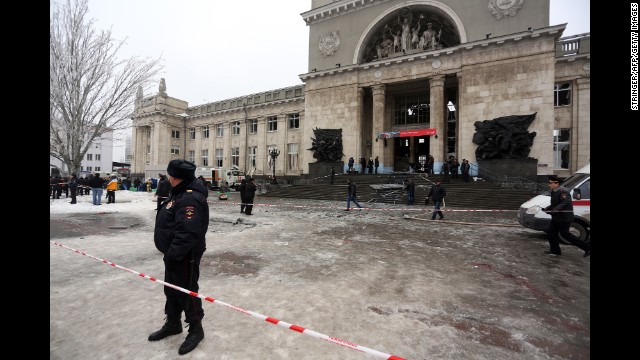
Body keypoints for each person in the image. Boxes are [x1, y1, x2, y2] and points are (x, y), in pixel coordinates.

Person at [149, 159, 209, 355]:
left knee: (187, 290)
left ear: (174, 176)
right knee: (172, 290)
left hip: (184, 255)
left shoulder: (189, 198)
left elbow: (188, 232)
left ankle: (196, 328)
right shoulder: (180, 193)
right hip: (175, 253)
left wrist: (174, 253)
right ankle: (173, 322)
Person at [543, 175, 590, 257]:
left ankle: (587, 247)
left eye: (551, 183)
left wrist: (554, 210)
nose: (549, 185)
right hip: (557, 217)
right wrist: (548, 208)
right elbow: (555, 204)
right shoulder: (554, 192)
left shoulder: (563, 192)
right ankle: (555, 251)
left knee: (565, 235)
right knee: (551, 233)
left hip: (564, 217)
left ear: (556, 184)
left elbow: (565, 203)